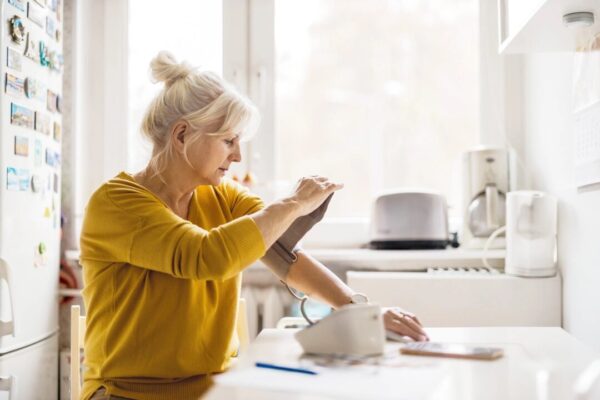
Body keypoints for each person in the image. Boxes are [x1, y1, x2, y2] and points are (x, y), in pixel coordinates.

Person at [80, 51, 428, 400]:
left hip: (216, 389)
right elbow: (206, 257)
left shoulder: (223, 197)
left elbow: (280, 251)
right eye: (228, 141)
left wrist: (361, 311)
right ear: (182, 135)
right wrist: (293, 203)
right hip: (126, 394)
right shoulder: (117, 204)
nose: (237, 156)